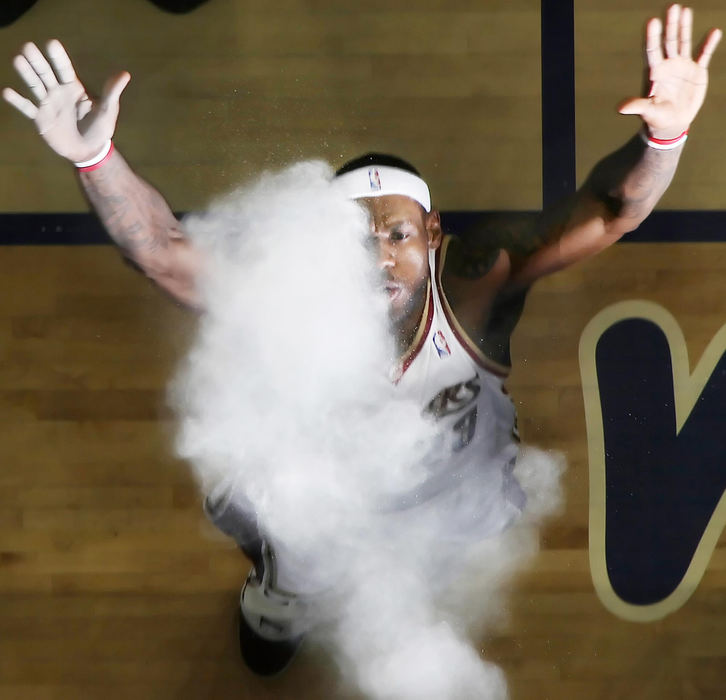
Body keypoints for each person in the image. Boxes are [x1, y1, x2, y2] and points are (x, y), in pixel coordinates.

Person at [3, 2, 721, 679]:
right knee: (278, 565)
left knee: (421, 600)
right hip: (319, 506)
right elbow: (161, 247)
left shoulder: (474, 289)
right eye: (353, 236)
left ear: (433, 237)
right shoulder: (282, 295)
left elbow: (610, 210)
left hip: (454, 504)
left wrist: (664, 137)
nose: (378, 255)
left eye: (398, 234)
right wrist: (96, 161)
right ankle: (278, 598)